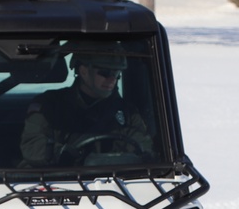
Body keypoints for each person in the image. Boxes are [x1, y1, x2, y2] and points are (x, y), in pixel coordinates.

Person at [19, 46, 154, 166]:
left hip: (113, 183)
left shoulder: (127, 113)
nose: (112, 79)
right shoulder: (49, 105)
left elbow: (144, 147)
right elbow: (32, 145)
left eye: (116, 74)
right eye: (105, 73)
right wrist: (61, 153)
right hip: (57, 181)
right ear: (83, 71)